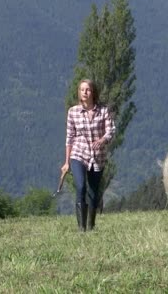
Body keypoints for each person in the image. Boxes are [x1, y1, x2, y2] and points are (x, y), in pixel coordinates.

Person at [58, 79, 115, 232]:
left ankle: (91, 226)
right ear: (79, 92)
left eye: (88, 89)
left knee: (93, 192)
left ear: (93, 92)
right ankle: (81, 229)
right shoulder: (73, 112)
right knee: (81, 186)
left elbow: (111, 131)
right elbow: (69, 137)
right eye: (82, 90)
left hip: (97, 156)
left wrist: (102, 140)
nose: (84, 92)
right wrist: (66, 162)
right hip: (79, 153)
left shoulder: (103, 111)